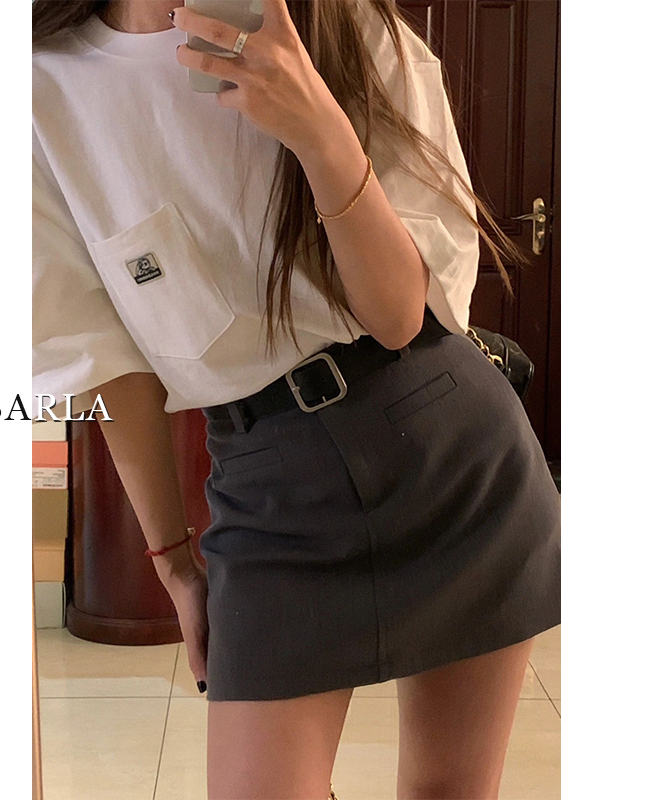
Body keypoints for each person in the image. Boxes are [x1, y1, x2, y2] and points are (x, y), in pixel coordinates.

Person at [32, 1, 561, 797]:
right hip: (266, 486)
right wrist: (174, 565)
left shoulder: (342, 25)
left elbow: (397, 316)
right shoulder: (42, 91)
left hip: (449, 450)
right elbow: (105, 362)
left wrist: (317, 129)